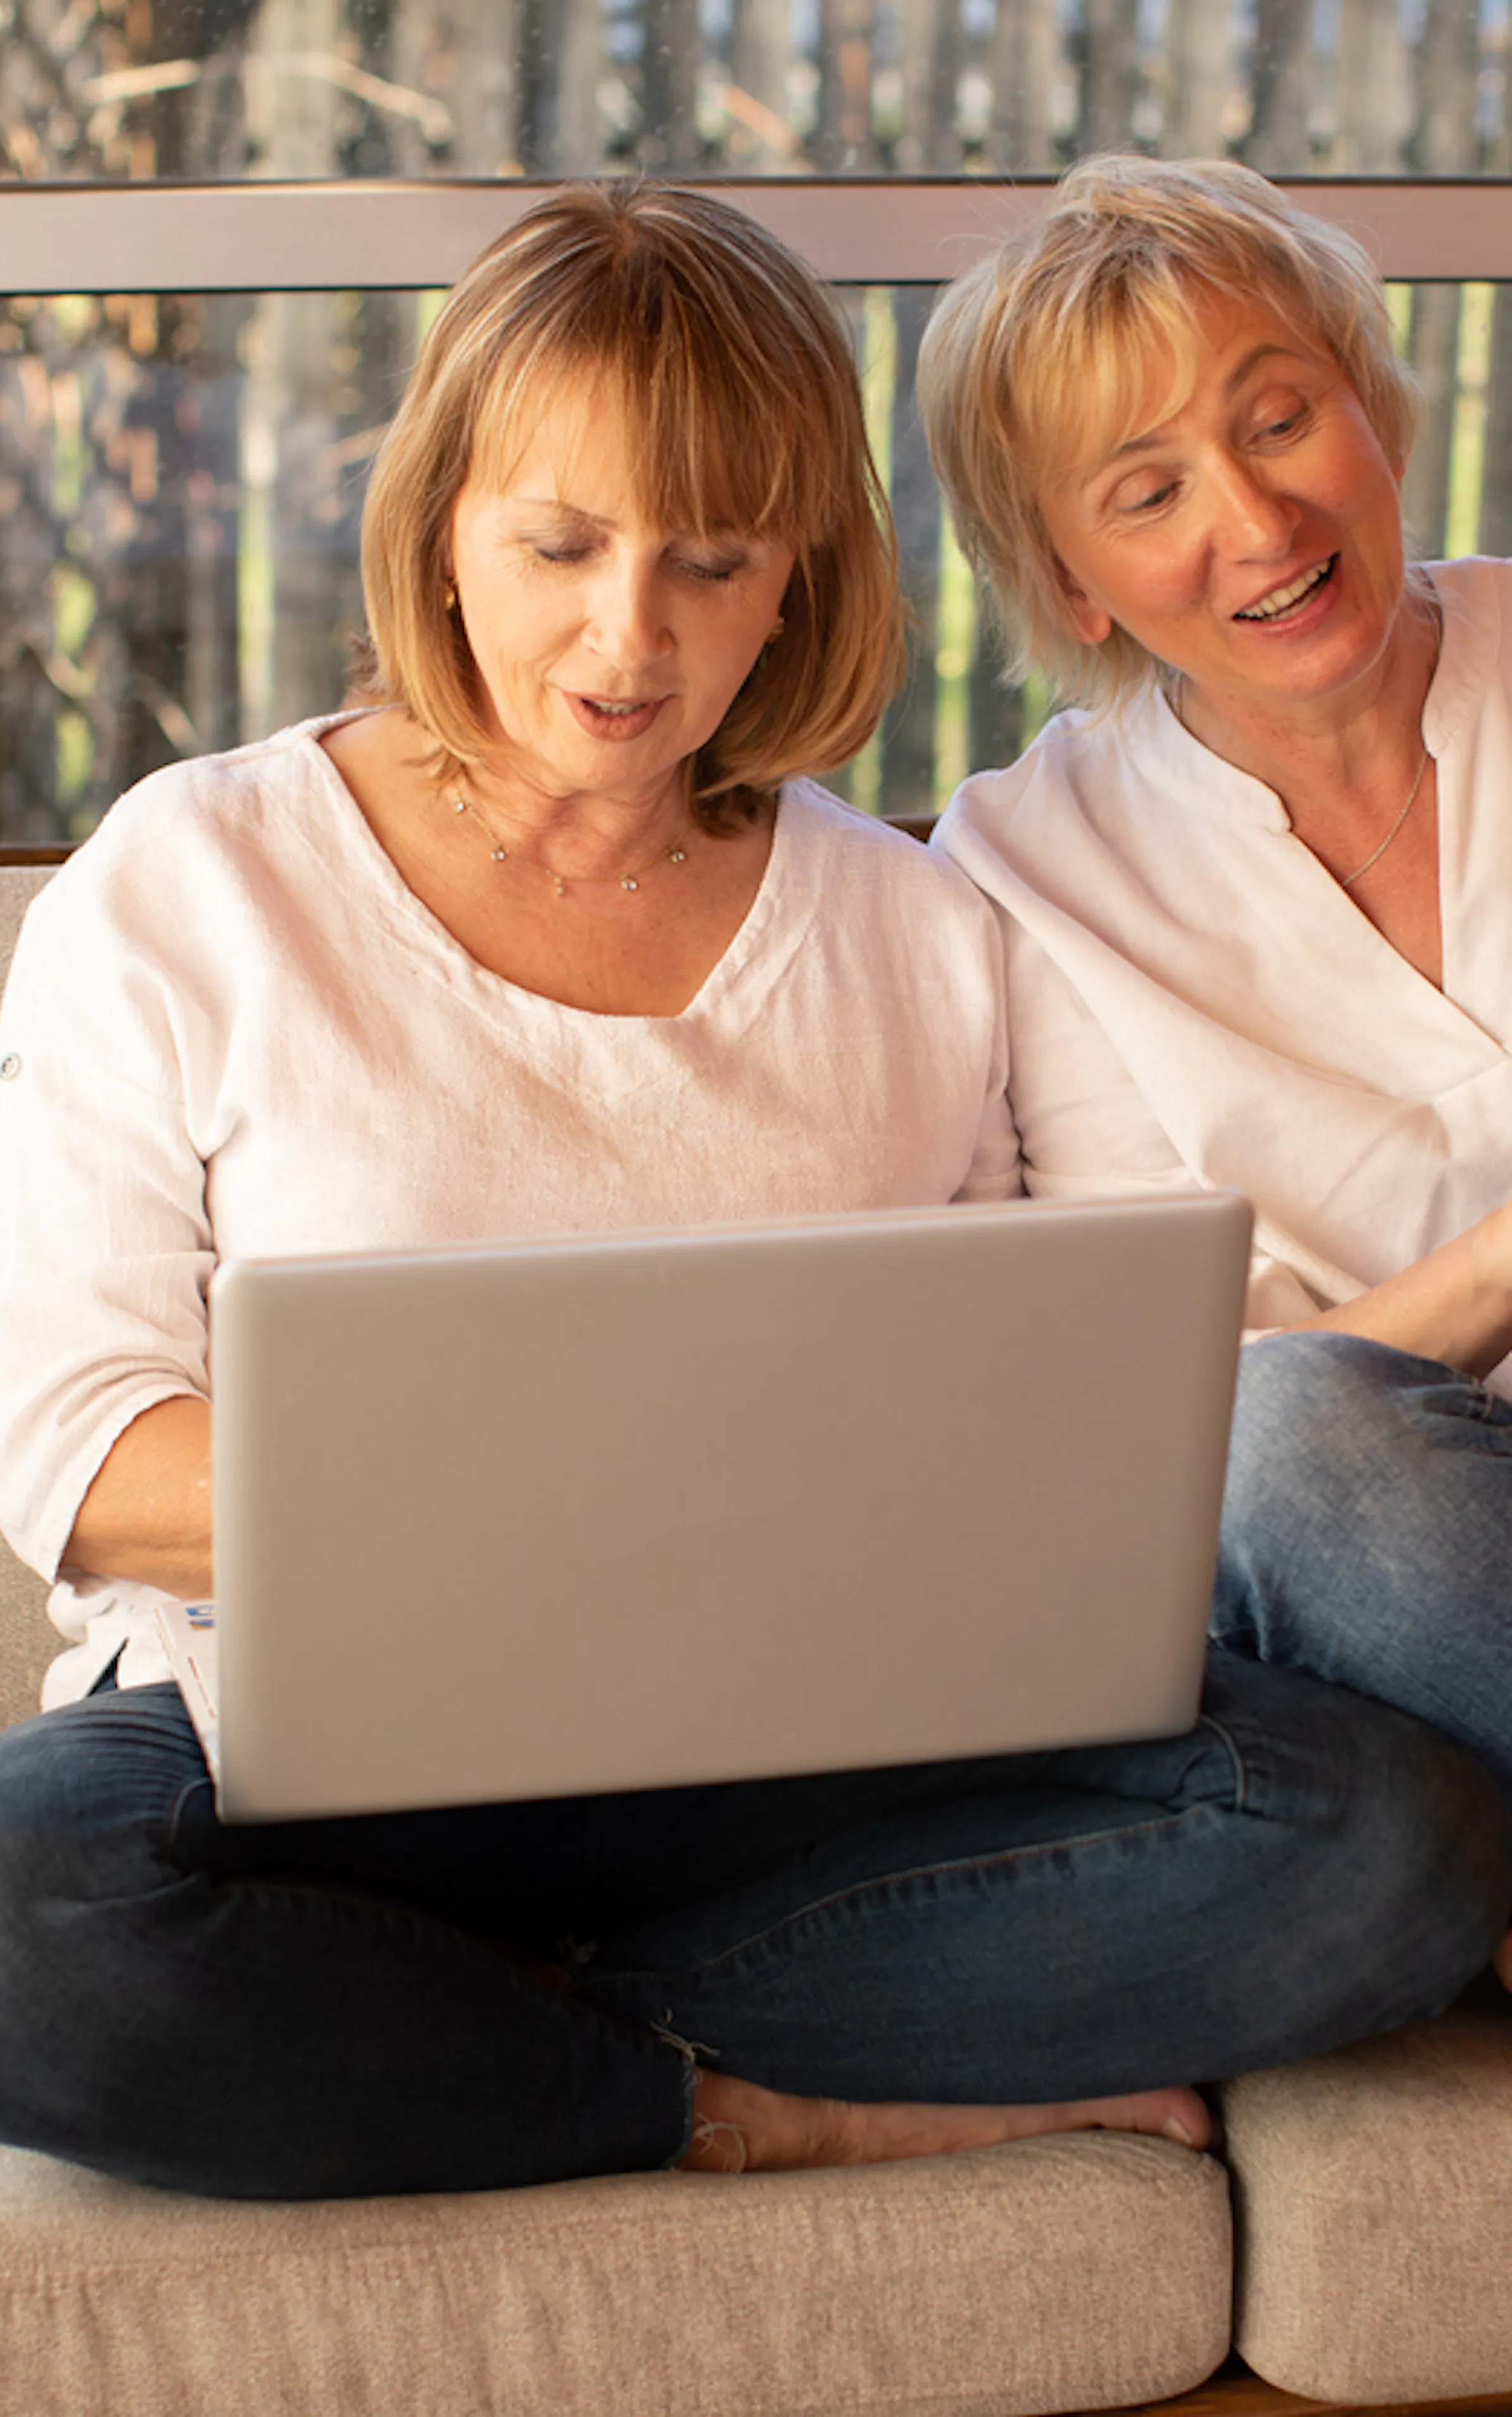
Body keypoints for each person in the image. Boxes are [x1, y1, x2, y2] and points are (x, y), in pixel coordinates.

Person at [0, 183, 1511, 2204]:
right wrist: (591, 1475)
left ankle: (457, 2021)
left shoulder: (930, 923)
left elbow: (1149, 1402)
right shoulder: (191, 879)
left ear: (796, 577)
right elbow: (84, 1457)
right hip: (329, 1752)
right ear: (443, 521)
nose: (630, 638)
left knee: (1392, 1837)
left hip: (826, 1770)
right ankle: (729, 2097)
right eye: (560, 546)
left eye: (712, 561)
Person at [919, 157, 1512, 1981]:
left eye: (1283, 419)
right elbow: (1200, 1432)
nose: (1257, 519)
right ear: (1069, 581)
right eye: (1150, 489)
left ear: (1373, 408)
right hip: (1400, 1578)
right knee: (1291, 1443)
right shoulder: (1026, 873)